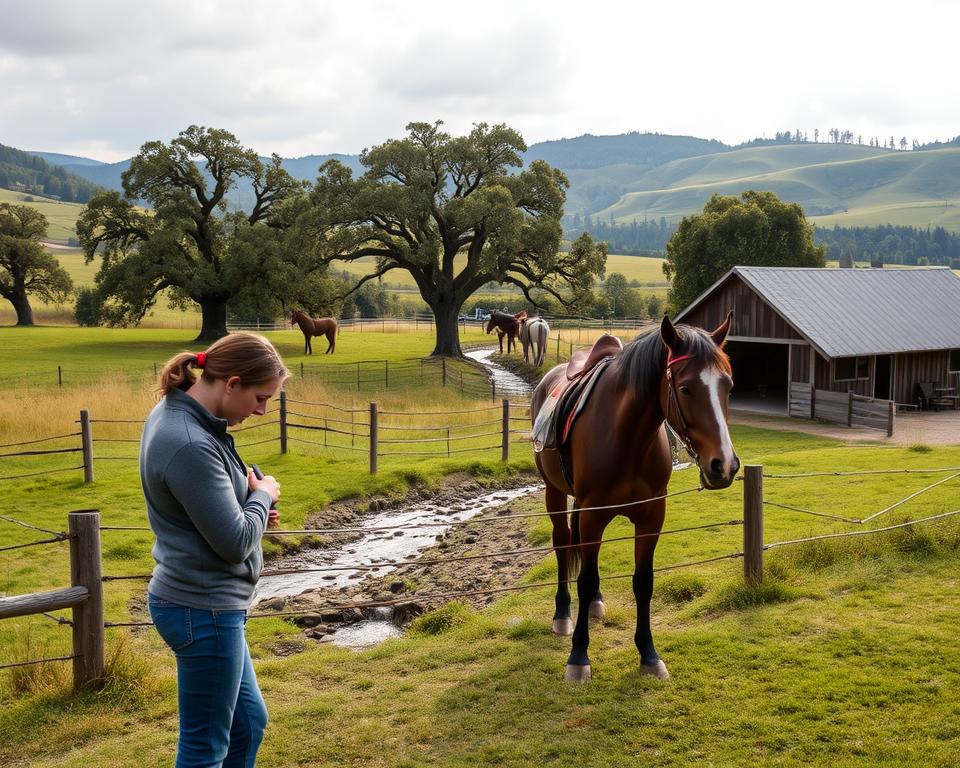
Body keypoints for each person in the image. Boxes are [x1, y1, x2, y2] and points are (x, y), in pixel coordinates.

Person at [141, 332, 289, 767]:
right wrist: (262, 497)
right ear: (232, 383)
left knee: (247, 724)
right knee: (204, 748)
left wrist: (247, 506)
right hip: (201, 608)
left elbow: (209, 512)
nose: (261, 410)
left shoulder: (184, 416)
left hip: (204, 603)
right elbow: (234, 543)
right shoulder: (189, 440)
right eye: (260, 398)